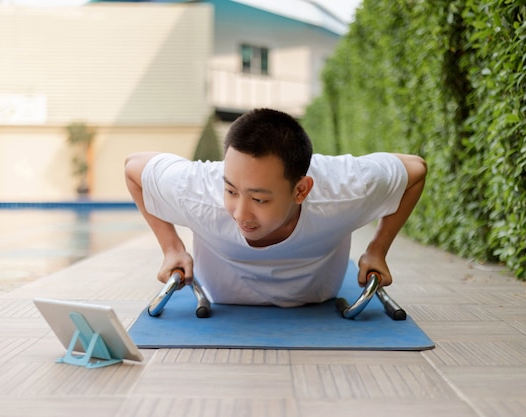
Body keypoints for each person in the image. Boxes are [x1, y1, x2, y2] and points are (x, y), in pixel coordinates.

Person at [124, 108, 427, 307]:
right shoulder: (198, 189)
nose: (241, 213)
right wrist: (171, 248)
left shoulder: (343, 189)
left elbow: (415, 170)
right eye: (231, 190)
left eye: (259, 199)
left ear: (301, 190)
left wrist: (378, 250)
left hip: (314, 301)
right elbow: (133, 167)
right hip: (224, 302)